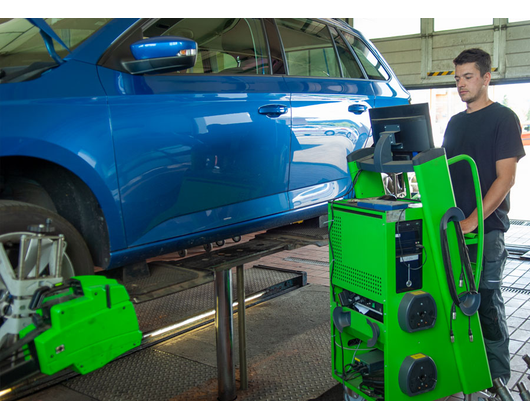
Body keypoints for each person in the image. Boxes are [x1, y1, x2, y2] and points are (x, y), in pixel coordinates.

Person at [443, 48, 526, 386]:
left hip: (486, 232)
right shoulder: (454, 122)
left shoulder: (503, 118)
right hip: (454, 230)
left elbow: (505, 178)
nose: (461, 84)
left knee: (487, 304)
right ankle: (465, 373)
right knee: (457, 302)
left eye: (468, 77)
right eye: (457, 78)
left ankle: (498, 380)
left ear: (486, 78)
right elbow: (446, 174)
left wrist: (473, 220)